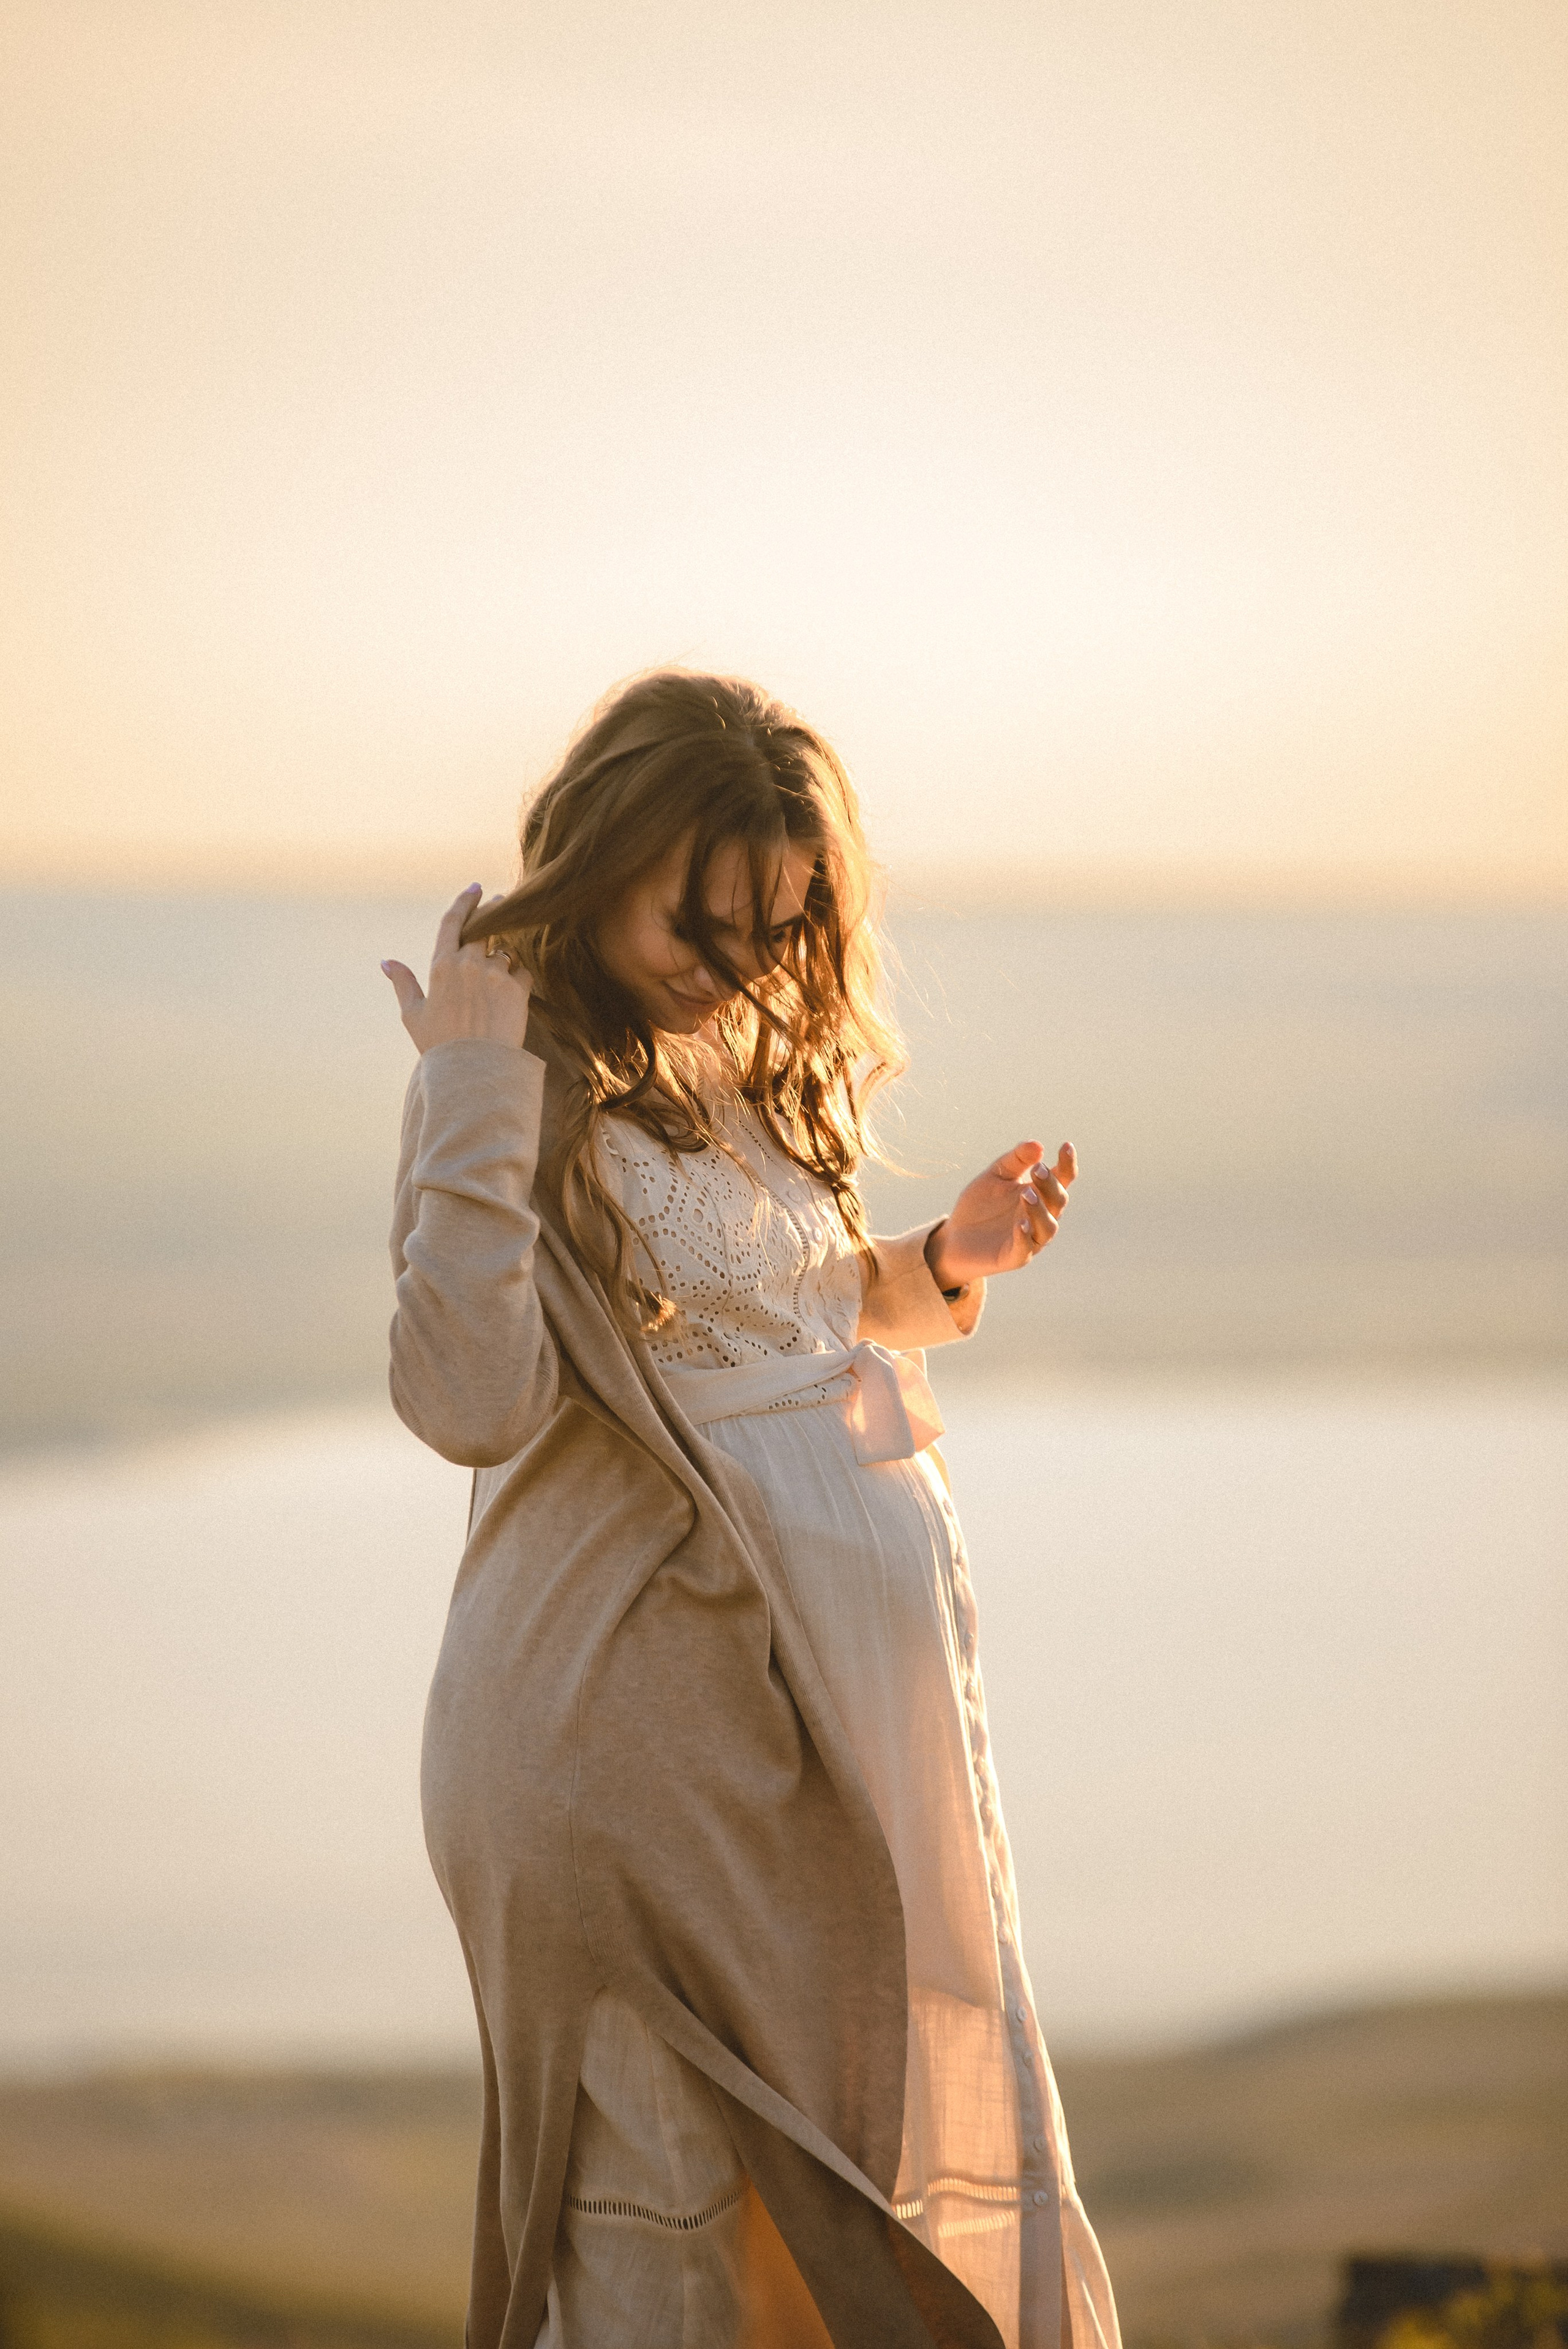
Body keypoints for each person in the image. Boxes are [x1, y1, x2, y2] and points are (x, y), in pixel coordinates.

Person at [381, 672, 1120, 2349]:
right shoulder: (516, 1079)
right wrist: (469, 1098)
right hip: (628, 1743)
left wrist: (941, 1263)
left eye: (777, 931)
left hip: (806, 1741)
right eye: (700, 921)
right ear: (604, 853)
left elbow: (763, 1322)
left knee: (819, 2198)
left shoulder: (719, 1064)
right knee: (668, 2212)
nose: (740, 967)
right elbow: (468, 1399)